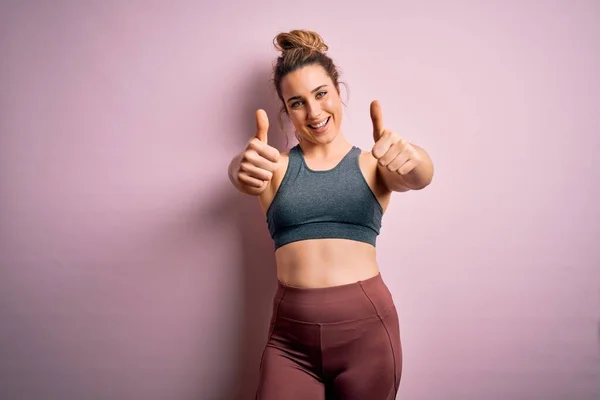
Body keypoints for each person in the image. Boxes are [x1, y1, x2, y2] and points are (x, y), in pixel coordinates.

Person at [227, 29, 434, 400]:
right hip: (290, 343)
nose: (315, 112)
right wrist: (237, 169)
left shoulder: (375, 164)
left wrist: (413, 157)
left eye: (321, 94)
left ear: (339, 92)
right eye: (297, 102)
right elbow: (242, 173)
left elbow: (419, 176)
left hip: (367, 338)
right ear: (286, 111)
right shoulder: (272, 167)